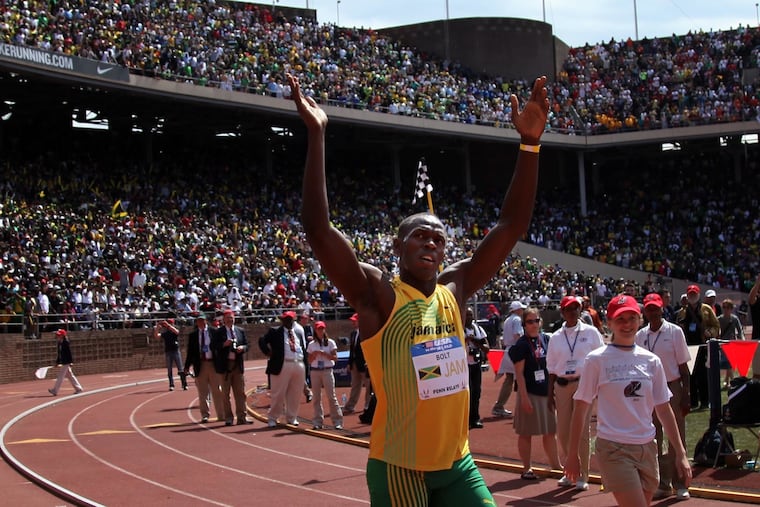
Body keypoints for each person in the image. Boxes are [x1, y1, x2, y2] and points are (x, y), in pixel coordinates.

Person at [292, 71, 549, 505]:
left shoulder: (456, 288)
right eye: (420, 236)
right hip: (400, 467)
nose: (431, 242)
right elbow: (318, 229)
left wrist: (529, 146)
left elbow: (511, 226)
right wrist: (317, 135)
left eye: (439, 238)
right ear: (398, 247)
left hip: (457, 464)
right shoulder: (378, 296)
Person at [564, 294, 692, 507]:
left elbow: (664, 409)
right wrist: (572, 454)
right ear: (609, 322)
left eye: (631, 318)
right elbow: (581, 408)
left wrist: (681, 453)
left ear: (640, 319)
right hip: (614, 448)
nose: (627, 324)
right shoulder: (596, 360)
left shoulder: (652, 361)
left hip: (647, 448)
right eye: (620, 319)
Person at [635, 293, 692, 501]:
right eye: (649, 309)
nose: (652, 313)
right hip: (649, 389)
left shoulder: (674, 332)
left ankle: (680, 484)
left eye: (655, 309)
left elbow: (684, 368)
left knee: (676, 436)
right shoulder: (640, 336)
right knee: (654, 437)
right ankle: (663, 483)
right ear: (645, 311)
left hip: (672, 386)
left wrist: (686, 394)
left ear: (662, 309)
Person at [547, 295, 604, 491]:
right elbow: (552, 368)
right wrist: (549, 396)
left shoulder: (591, 332)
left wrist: (598, 386)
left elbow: (600, 359)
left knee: (581, 432)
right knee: (563, 432)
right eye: (568, 309)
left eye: (575, 308)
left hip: (584, 384)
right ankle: (569, 470)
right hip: (561, 386)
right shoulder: (555, 337)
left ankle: (582, 475)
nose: (572, 312)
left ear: (580, 310)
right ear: (562, 312)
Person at [509, 307, 560, 480]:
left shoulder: (546, 339)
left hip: (545, 392)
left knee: (550, 431)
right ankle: (526, 467)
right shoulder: (522, 345)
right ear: (524, 324)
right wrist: (523, 397)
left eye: (536, 320)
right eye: (529, 321)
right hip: (529, 392)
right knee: (526, 432)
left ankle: (556, 465)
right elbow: (519, 374)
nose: (533, 324)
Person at [259, 310, 308, 427]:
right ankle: (272, 418)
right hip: (282, 364)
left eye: (289, 320)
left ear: (293, 321)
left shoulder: (299, 332)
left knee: (295, 393)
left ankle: (292, 417)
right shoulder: (275, 331)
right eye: (284, 320)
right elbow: (262, 340)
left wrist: (306, 366)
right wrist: (268, 352)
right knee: (278, 393)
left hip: (298, 363)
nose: (286, 322)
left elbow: (303, 348)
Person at [676, 284, 719, 409]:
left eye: (694, 294)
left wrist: (709, 333)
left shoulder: (706, 309)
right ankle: (693, 401)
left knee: (703, 375)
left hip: (702, 346)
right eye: (690, 294)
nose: (692, 296)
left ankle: (705, 401)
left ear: (699, 295)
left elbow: (716, 325)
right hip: (688, 347)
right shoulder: (682, 311)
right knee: (690, 375)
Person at [212, 309, 253, 426]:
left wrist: (243, 348)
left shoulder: (240, 331)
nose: (230, 320)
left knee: (240, 392)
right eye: (228, 318)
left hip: (237, 365)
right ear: (224, 320)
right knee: (225, 393)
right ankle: (228, 417)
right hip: (225, 366)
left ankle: (242, 417)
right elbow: (213, 346)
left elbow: (247, 344)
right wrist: (224, 344)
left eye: (232, 318)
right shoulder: (218, 332)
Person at [184, 313, 224, 423]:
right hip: (200, 364)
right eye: (198, 321)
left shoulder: (214, 332)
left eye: (202, 320)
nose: (200, 322)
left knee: (217, 390)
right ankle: (205, 415)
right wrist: (187, 366)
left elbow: (219, 348)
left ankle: (221, 414)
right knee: (203, 392)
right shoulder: (193, 335)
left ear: (206, 321)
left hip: (213, 364)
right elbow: (190, 352)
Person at [307, 320, 344, 430]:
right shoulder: (311, 344)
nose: (320, 331)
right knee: (317, 397)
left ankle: (337, 421)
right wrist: (314, 354)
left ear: (324, 330)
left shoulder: (331, 342)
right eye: (318, 329)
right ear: (315, 330)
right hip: (315, 371)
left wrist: (325, 354)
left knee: (331, 396)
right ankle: (318, 421)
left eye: (322, 329)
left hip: (327, 370)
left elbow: (335, 358)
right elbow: (309, 360)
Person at [492, 300, 525, 418]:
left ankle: (499, 406)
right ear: (516, 310)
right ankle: (523, 406)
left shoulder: (508, 319)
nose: (522, 311)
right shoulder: (516, 319)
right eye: (521, 309)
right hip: (515, 350)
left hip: (508, 350)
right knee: (521, 378)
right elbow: (518, 335)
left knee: (510, 379)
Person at [464, 307, 489, 429]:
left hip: (476, 364)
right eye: (466, 315)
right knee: (468, 393)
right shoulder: (458, 328)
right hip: (463, 365)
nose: (468, 317)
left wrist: (474, 340)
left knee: (477, 392)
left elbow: (486, 348)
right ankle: (466, 420)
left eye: (470, 315)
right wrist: (465, 340)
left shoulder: (478, 329)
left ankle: (475, 418)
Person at [344, 313, 370, 414]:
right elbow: (352, 349)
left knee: (368, 386)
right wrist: (349, 363)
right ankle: (350, 405)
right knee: (355, 385)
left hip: (364, 364)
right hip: (354, 364)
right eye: (352, 320)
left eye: (354, 320)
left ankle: (367, 405)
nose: (353, 322)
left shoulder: (366, 332)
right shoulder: (353, 333)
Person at [153, 318, 187, 392]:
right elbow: (157, 336)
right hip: (168, 352)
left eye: (170, 323)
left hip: (176, 351)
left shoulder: (174, 331)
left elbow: (177, 332)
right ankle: (171, 384)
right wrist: (157, 328)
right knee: (169, 370)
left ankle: (184, 384)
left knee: (180, 369)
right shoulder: (165, 333)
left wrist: (168, 325)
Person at [718, 299, 744, 387]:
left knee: (730, 363)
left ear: (731, 308)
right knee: (727, 363)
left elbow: (740, 330)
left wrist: (742, 340)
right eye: (724, 307)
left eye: (728, 307)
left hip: (732, 344)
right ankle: (731, 381)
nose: (726, 309)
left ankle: (728, 381)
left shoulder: (734, 318)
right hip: (722, 344)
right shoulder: (719, 319)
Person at [48, 329, 83, 396]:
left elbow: (69, 353)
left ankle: (55, 390)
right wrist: (57, 362)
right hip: (64, 362)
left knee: (60, 376)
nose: (57, 336)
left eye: (59, 335)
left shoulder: (66, 342)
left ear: (62, 335)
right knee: (70, 376)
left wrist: (70, 362)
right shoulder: (59, 343)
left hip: (66, 362)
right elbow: (59, 354)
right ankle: (79, 389)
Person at [297, 313, 314, 403]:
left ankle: (307, 390)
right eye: (304, 319)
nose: (306, 320)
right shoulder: (296, 328)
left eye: (306, 319)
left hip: (306, 351)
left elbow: (312, 337)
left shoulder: (308, 328)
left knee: (305, 370)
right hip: (297, 352)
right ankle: (307, 391)